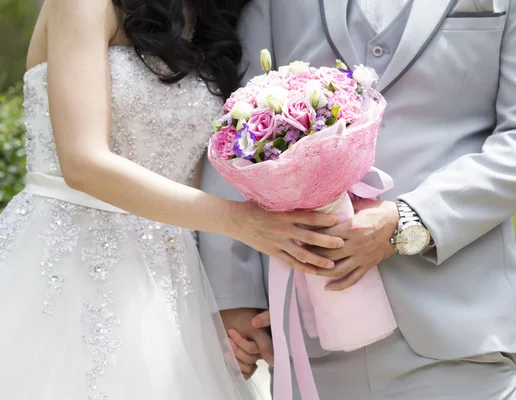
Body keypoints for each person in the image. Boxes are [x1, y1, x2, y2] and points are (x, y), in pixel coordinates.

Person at [199, 0, 516, 398]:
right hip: (305, 329)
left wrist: (409, 221)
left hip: (455, 327)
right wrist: (233, 296)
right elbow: (232, 124)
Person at [0, 0, 345, 398]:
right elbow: (83, 163)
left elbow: (198, 169)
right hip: (63, 263)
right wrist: (243, 222)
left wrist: (225, 305)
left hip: (174, 275)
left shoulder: (214, 18)